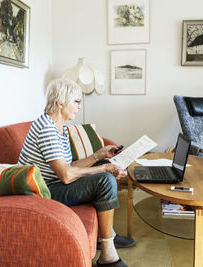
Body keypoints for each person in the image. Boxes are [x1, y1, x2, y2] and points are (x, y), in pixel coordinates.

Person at [18, 78, 134, 267]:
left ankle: (106, 235)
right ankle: (108, 254)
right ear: (60, 102)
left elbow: (69, 165)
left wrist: (99, 155)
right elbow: (66, 175)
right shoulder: (46, 128)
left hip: (55, 182)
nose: (80, 106)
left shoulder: (60, 127)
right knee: (104, 179)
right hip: (42, 191)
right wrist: (104, 168)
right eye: (76, 101)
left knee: (105, 163)